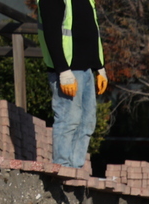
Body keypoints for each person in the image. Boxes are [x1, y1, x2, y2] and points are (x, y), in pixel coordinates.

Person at [35, 0, 107, 168]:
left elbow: (91, 33)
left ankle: (76, 167)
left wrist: (100, 67)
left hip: (87, 70)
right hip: (68, 70)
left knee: (87, 121)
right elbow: (51, 33)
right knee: (69, 119)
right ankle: (63, 167)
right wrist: (63, 71)